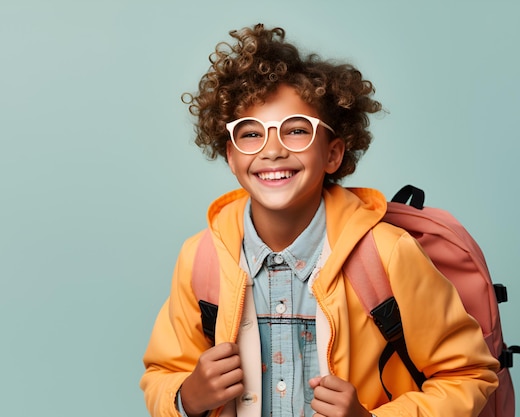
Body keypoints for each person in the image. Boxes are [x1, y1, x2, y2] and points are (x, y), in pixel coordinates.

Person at [140, 24, 499, 417]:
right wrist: (186, 398)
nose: (272, 150)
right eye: (250, 134)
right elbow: (163, 371)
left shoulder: (387, 254)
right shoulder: (202, 258)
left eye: (297, 131)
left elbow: (468, 374)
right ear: (231, 156)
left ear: (333, 154)